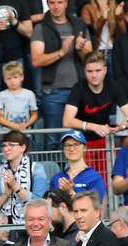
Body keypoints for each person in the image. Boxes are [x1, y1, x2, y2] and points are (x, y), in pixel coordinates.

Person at [30, 0, 95, 149]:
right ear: (47, 4)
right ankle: (54, 172)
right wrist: (62, 52)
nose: (56, 6)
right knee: (53, 139)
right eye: (52, 2)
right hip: (53, 92)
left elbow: (91, 59)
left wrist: (80, 49)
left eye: (60, 2)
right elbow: (36, 60)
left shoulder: (79, 24)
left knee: (79, 138)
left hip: (80, 90)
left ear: (66, 3)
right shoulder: (41, 27)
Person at [63, 51, 128, 181]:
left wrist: (122, 126)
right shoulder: (78, 88)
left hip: (104, 142)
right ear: (84, 71)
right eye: (90, 71)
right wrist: (92, 126)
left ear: (105, 70)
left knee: (107, 182)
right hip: (82, 143)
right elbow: (67, 120)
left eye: (98, 70)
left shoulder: (114, 86)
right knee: (83, 182)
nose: (94, 75)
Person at [0, 130, 48, 226]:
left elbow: (37, 201)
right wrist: (5, 195)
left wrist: (15, 186)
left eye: (11, 145)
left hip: (30, 223)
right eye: (4, 146)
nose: (6, 149)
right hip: (4, 226)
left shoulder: (36, 169)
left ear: (23, 147)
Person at [49, 129, 107, 201]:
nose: (71, 149)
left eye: (76, 144)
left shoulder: (94, 177)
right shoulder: (57, 178)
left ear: (85, 148)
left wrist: (70, 192)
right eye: (67, 145)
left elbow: (94, 207)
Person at [79, 0, 124, 80]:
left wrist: (118, 18)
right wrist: (102, 19)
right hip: (97, 53)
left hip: (114, 52)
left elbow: (123, 36)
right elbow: (89, 33)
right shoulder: (88, 8)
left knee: (114, 86)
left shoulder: (117, 8)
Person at [0, 60, 39, 133]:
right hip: (6, 133)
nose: (12, 81)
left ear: (22, 77)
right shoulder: (1, 95)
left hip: (24, 132)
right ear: (4, 80)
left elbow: (34, 114)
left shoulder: (29, 94)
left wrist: (27, 124)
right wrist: (13, 126)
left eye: (15, 77)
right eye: (9, 78)